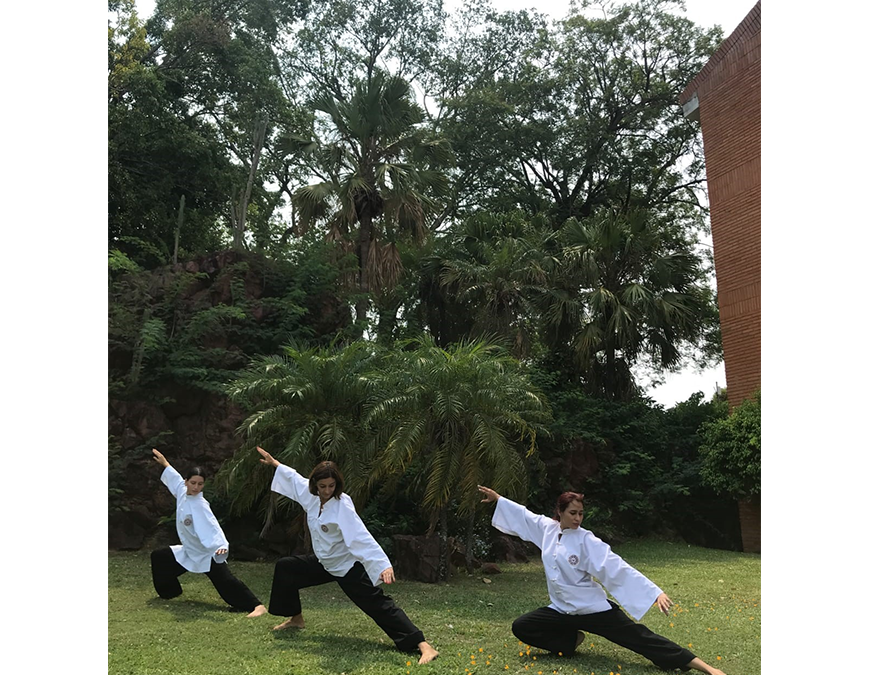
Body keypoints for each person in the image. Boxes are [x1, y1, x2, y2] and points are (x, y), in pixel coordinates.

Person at [477, 485, 726, 675]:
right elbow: (524, 516)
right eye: (572, 513)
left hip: (592, 609)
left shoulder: (588, 541)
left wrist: (654, 593)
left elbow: (617, 567)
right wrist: (499, 500)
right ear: (560, 512)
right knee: (522, 626)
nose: (577, 518)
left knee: (642, 639)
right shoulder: (547, 530)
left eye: (581, 514)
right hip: (562, 610)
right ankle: (571, 641)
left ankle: (705, 667)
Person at [257, 447, 439, 665]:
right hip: (324, 562)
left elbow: (359, 536)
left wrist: (382, 564)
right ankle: (296, 618)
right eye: (322, 486)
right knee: (286, 567)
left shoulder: (342, 505)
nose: (326, 490)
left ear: (337, 484)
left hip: (346, 566)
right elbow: (295, 479)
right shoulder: (311, 496)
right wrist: (275, 463)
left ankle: (424, 646)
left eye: (331, 486)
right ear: (315, 484)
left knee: (378, 604)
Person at [150, 449, 267, 618]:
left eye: (200, 484)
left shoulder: (200, 506)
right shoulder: (182, 491)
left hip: (206, 552)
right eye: (193, 483)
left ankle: (257, 606)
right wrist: (165, 463)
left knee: (226, 582)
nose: (196, 487)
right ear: (186, 482)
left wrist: (220, 546)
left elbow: (212, 527)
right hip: (189, 550)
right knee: (160, 557)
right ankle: (170, 592)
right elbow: (174, 478)